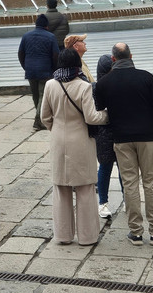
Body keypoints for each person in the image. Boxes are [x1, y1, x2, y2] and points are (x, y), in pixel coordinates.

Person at [93, 42, 153, 246]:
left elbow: (99, 108)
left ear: (113, 59)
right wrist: (152, 121)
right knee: (151, 183)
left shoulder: (104, 83)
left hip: (121, 138)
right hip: (147, 137)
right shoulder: (145, 77)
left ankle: (135, 232)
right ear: (131, 56)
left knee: (129, 184)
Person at [41, 38, 108, 245]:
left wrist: (58, 128)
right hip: (81, 141)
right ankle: (87, 236)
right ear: (78, 65)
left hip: (59, 140)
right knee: (85, 189)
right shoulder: (84, 86)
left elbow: (45, 116)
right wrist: (106, 115)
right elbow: (91, 117)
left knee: (61, 188)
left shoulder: (50, 84)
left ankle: (63, 235)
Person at [18, 13, 58, 131]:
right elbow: (55, 55)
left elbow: (20, 53)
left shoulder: (26, 36)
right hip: (45, 70)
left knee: (35, 94)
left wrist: (25, 66)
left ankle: (39, 116)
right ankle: (38, 120)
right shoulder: (51, 37)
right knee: (42, 95)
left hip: (30, 70)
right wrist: (54, 68)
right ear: (47, 26)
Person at [93, 52, 119, 220]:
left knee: (108, 167)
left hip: (104, 132)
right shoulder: (101, 86)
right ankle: (103, 202)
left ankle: (103, 203)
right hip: (109, 131)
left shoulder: (95, 86)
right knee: (112, 167)